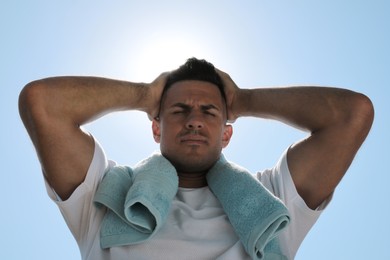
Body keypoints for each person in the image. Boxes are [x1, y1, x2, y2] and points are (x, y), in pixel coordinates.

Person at [19, 58, 373, 259]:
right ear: (156, 129)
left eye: (209, 111)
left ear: (227, 133)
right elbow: (42, 104)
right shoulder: (109, 197)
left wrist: (243, 100)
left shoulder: (271, 202)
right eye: (178, 110)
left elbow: (351, 115)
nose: (194, 120)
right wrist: (145, 95)